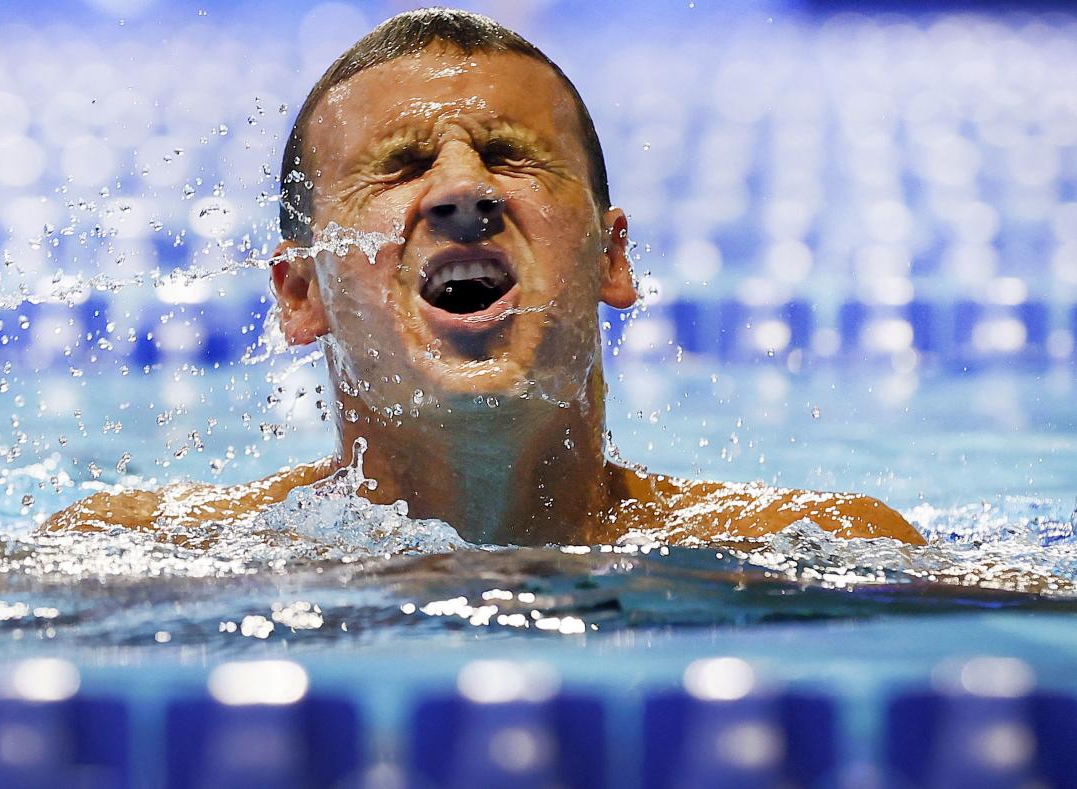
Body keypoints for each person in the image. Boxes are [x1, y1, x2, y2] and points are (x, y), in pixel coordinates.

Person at [46, 8, 923, 546]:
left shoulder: (822, 549)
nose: (464, 190)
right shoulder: (150, 558)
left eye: (511, 156)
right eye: (400, 166)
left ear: (612, 259)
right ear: (300, 294)